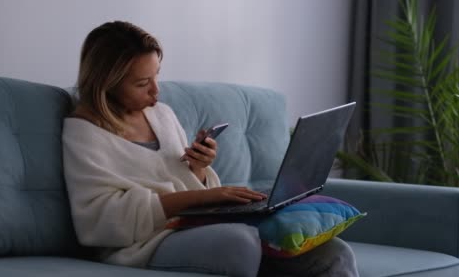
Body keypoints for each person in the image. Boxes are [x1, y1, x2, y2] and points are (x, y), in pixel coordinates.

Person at [62, 21, 359, 277]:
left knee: (334, 252)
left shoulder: (161, 114)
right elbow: (98, 221)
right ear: (107, 84)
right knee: (240, 243)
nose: (156, 90)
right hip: (144, 243)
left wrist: (200, 169)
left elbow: (188, 181)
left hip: (196, 222)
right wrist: (202, 195)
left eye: (157, 75)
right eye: (142, 83)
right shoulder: (84, 133)